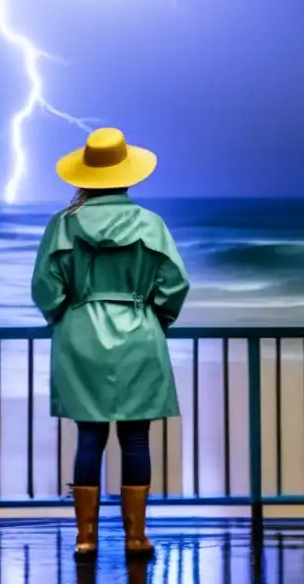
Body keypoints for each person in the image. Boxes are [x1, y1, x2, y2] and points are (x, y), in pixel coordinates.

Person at [31, 127, 189, 559]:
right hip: (139, 333)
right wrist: (154, 316)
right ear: (128, 174)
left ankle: (86, 537)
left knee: (89, 439)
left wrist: (68, 312)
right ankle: (137, 537)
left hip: (80, 336)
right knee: (136, 440)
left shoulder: (64, 225)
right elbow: (175, 284)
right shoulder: (150, 225)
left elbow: (45, 289)